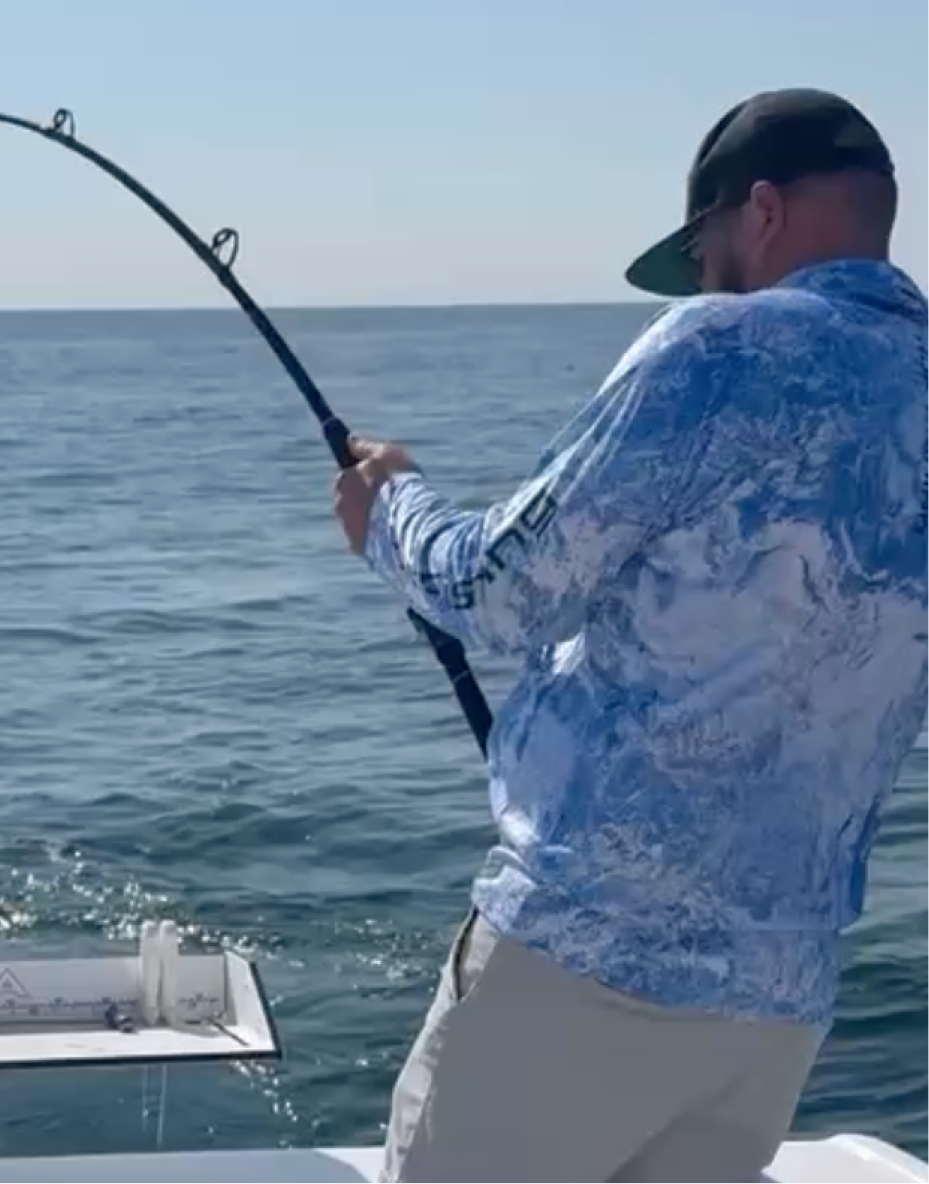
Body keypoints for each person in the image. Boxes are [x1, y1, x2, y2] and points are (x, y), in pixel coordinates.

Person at [333, 88, 929, 1184]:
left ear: (757, 210)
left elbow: (500, 594)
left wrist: (391, 513)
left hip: (585, 967)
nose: (703, 282)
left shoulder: (723, 347)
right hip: (782, 997)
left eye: (702, 252)